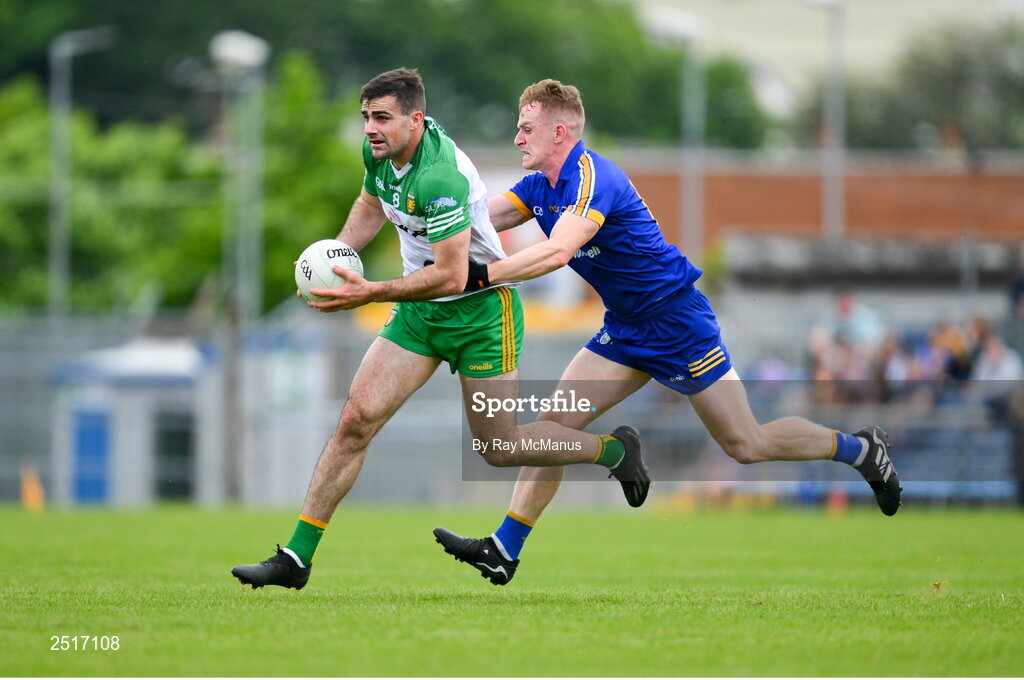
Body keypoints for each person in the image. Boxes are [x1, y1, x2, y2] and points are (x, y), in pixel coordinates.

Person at [433, 79, 902, 586]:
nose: (518, 139)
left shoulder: (593, 178)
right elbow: (472, 216)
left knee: (746, 443)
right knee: (554, 429)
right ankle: (506, 548)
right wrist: (419, 211)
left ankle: (860, 449)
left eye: (526, 129)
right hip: (625, 328)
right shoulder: (537, 188)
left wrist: (476, 276)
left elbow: (556, 252)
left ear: (559, 131)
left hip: (678, 324)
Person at [231, 69, 648, 591]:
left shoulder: (442, 176)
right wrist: (336, 260)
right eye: (365, 118)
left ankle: (612, 451)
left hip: (480, 314)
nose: (371, 129)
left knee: (499, 449)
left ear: (415, 119)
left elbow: (452, 275)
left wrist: (369, 291)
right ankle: (296, 557)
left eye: (382, 118)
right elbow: (368, 205)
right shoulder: (379, 156)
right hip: (421, 311)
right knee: (356, 420)